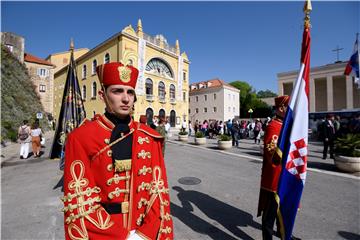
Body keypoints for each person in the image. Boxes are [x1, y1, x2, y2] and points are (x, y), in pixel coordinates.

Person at [62, 62, 173, 240]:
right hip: (104, 233)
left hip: (144, 231)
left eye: (130, 92)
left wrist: (144, 234)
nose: (126, 99)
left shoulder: (150, 138)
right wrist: (122, 237)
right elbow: (79, 202)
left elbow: (159, 192)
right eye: (117, 91)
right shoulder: (80, 137)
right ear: (102, 95)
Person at [257, 95, 295, 240]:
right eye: (288, 107)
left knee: (284, 209)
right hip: (275, 177)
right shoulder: (274, 125)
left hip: (286, 174)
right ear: (281, 108)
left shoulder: (286, 125)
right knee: (270, 213)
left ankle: (283, 233)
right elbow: (271, 151)